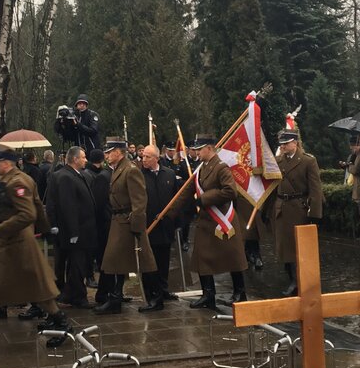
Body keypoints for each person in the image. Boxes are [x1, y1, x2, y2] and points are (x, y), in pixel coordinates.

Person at [0, 145, 70, 351]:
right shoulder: (16, 179)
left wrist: (1, 228)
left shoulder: (16, 182)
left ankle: (62, 323)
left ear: (6, 162)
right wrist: (45, 231)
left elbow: (27, 214)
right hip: (9, 243)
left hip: (16, 243)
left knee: (37, 289)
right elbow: (36, 207)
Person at [168, 134, 248, 309]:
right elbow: (186, 192)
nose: (196, 152)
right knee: (201, 258)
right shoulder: (201, 168)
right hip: (207, 221)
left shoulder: (221, 167)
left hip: (223, 221)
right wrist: (169, 213)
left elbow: (230, 191)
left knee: (232, 257)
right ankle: (208, 294)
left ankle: (240, 292)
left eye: (199, 149)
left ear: (210, 148)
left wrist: (204, 199)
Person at [94, 138, 159, 314]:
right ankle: (116, 298)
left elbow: (139, 201)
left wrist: (137, 228)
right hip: (119, 221)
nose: (106, 155)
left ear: (119, 152)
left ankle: (156, 297)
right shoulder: (118, 170)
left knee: (144, 260)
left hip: (128, 222)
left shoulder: (130, 171)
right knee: (116, 261)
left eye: (109, 152)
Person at [268, 130, 323, 296]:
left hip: (298, 208)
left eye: (286, 143)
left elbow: (315, 188)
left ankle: (298, 282)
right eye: (281, 144)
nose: (283, 147)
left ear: (295, 143)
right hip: (281, 208)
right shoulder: (277, 161)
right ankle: (291, 278)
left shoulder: (307, 161)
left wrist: (314, 213)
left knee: (298, 248)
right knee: (284, 248)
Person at [46, 146, 97, 308]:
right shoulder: (66, 177)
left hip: (80, 229)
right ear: (75, 159)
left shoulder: (73, 175)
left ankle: (71, 294)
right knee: (77, 264)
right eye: (83, 157)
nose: (86, 160)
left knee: (76, 264)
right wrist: (73, 231)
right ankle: (76, 296)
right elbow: (68, 206)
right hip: (77, 231)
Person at [141, 144, 179, 304]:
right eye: (143, 156)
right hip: (148, 226)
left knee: (164, 260)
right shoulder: (139, 175)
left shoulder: (169, 174)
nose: (144, 159)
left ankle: (163, 290)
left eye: (148, 157)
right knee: (150, 262)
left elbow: (176, 199)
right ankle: (151, 293)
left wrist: (173, 219)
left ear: (157, 158)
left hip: (165, 226)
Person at [83, 149, 112, 303]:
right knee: (95, 254)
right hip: (97, 221)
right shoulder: (94, 175)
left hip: (99, 221)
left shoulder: (97, 174)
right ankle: (91, 278)